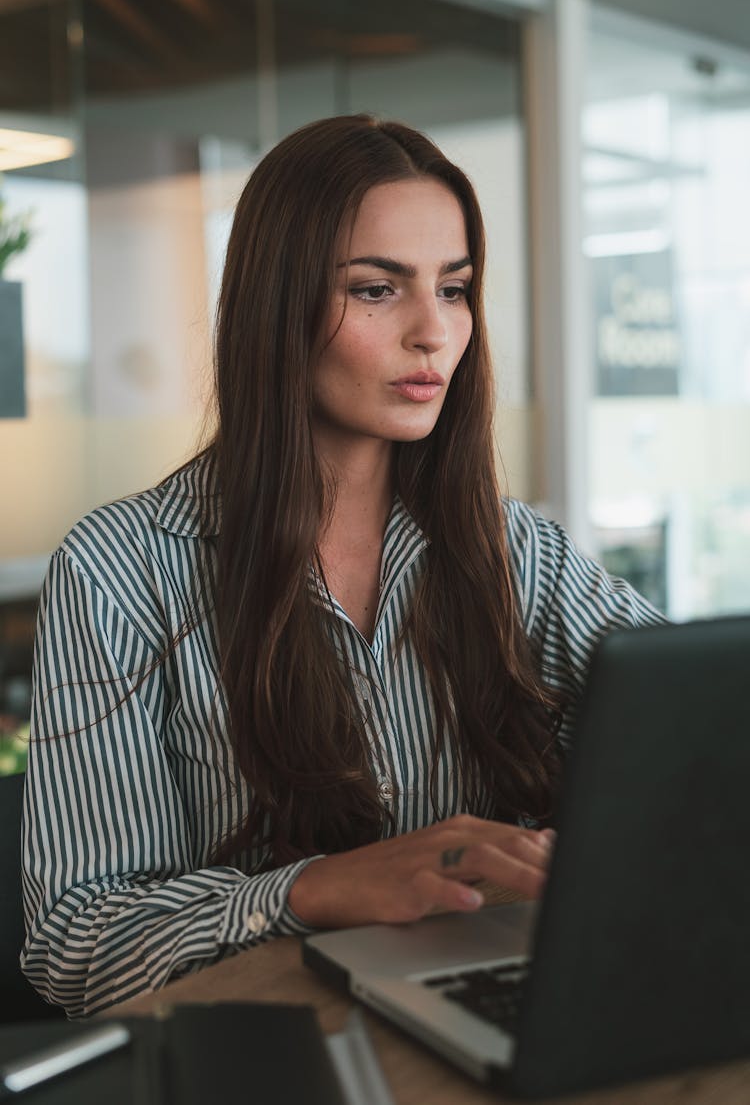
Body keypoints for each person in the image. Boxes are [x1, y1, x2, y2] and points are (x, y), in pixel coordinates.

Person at [21, 115, 662, 1018]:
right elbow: (78, 945)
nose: (433, 332)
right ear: (277, 304)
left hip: (493, 1012)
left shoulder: (520, 550)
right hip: (264, 1050)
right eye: (375, 290)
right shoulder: (125, 569)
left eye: (455, 287)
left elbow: (697, 733)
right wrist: (311, 887)